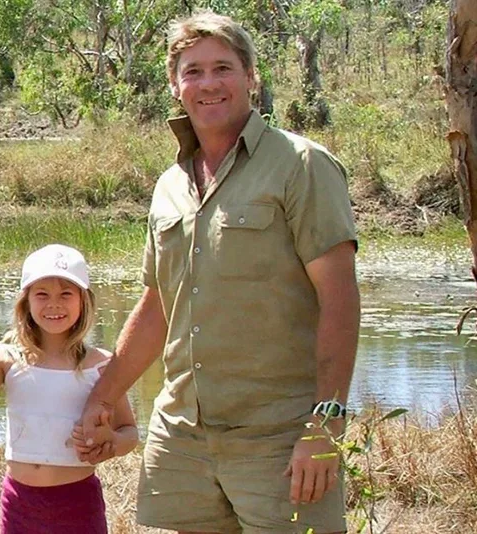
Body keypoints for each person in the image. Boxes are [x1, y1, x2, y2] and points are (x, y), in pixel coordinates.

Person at [79, 9, 360, 534]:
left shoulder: (301, 165)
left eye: (223, 68)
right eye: (193, 71)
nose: (208, 83)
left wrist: (324, 425)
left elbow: (340, 299)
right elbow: (158, 305)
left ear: (251, 77)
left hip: (277, 437)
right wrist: (103, 395)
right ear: (174, 84)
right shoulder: (170, 185)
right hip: (182, 437)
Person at [0, 243, 138, 534]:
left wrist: (110, 442)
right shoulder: (7, 357)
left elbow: (130, 433)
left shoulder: (103, 365)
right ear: (25, 302)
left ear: (83, 301)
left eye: (66, 294)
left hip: (78, 501)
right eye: (42, 294)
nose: (54, 304)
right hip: (20, 501)